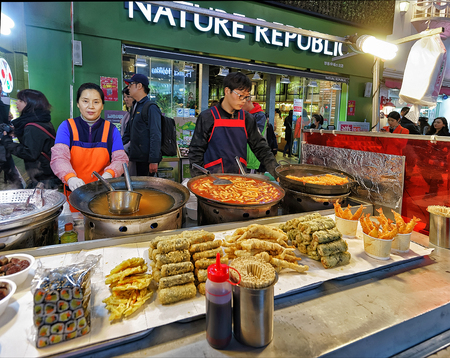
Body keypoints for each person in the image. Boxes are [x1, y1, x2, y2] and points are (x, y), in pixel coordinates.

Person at [188, 72, 279, 178]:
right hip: (212, 180)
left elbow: (261, 148)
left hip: (239, 179)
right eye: (240, 96)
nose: (243, 101)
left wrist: (276, 172)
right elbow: (196, 152)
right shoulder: (207, 117)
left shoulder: (247, 119)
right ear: (227, 91)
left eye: (246, 97)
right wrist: (199, 179)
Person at [51, 82, 128, 197]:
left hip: (102, 192)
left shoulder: (111, 130)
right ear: (78, 103)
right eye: (85, 101)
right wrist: (70, 178)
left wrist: (109, 174)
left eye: (96, 102)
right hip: (75, 193)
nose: (91, 106)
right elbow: (59, 157)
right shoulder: (67, 126)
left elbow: (120, 159)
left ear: (102, 105)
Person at [0, 89, 61, 189]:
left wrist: (6, 141)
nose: (17, 102)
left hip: (43, 178)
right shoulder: (41, 120)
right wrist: (16, 132)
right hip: (46, 173)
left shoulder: (32, 127)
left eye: (20, 100)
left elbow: (29, 153)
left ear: (30, 104)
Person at [122, 74, 162, 177]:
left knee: (146, 190)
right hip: (135, 158)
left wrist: (154, 160)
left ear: (139, 86)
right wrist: (117, 148)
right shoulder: (135, 106)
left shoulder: (151, 107)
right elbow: (128, 133)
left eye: (131, 84)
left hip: (146, 161)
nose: (128, 87)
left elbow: (155, 134)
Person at [0, 81, 23, 188]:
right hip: (4, 146)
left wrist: (10, 125)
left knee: (14, 177)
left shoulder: (4, 107)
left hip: (4, 147)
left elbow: (7, 125)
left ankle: (22, 198)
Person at [419, 117, 450, 197]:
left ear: (443, 124)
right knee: (424, 172)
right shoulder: (430, 133)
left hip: (439, 159)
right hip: (428, 157)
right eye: (434, 122)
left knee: (434, 175)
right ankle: (435, 185)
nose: (435, 124)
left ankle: (432, 192)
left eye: (438, 122)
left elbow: (445, 149)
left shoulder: (446, 135)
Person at [243, 98, 267, 173]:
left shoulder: (260, 116)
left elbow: (254, 134)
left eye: (242, 103)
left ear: (248, 101)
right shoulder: (242, 114)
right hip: (241, 157)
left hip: (251, 158)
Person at [120, 86, 136, 175]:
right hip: (125, 152)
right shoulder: (128, 114)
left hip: (129, 153)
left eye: (128, 97)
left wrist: (124, 148)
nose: (126, 99)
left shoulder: (134, 115)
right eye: (125, 97)